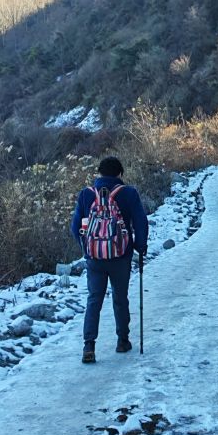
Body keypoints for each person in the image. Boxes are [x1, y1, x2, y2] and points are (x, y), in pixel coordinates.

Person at [71, 156, 148, 364]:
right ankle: (122, 340)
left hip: (95, 258)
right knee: (120, 297)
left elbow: (75, 227)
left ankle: (89, 345)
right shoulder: (128, 193)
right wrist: (140, 246)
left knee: (94, 299)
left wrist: (87, 248)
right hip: (121, 256)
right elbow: (140, 222)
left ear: (99, 173)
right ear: (120, 174)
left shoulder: (87, 194)